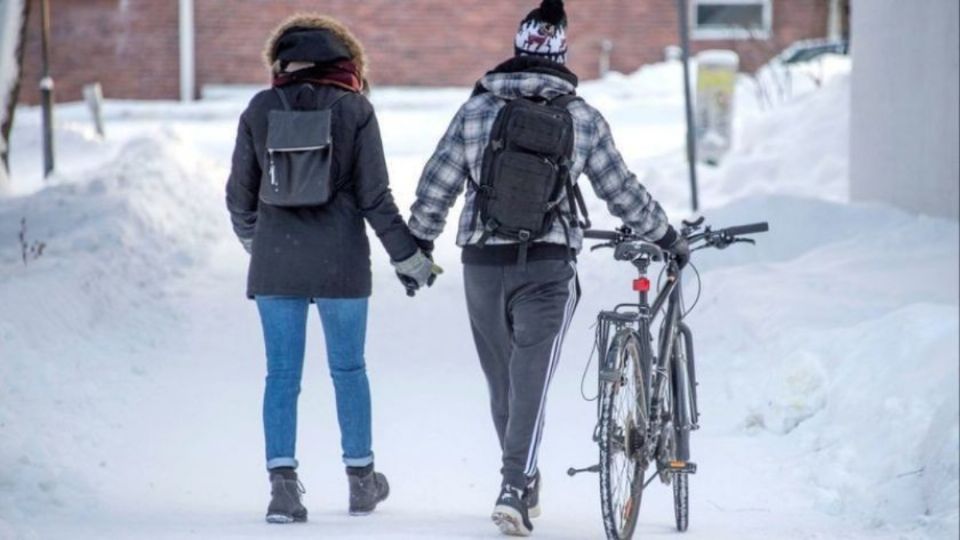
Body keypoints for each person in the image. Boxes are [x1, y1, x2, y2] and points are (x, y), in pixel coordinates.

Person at [407, 0, 689, 536]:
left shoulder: (477, 110)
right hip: (548, 263)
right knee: (530, 381)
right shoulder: (580, 118)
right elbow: (621, 191)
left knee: (503, 385)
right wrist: (666, 235)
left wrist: (418, 243)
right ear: (562, 55)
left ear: (516, 50)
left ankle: (520, 480)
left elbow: (438, 180)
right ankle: (516, 484)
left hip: (482, 264)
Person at [225, 13, 442, 524]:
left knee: (281, 375)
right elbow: (375, 198)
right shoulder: (355, 109)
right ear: (344, 61)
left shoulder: (260, 108)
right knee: (349, 370)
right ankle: (361, 481)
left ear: (282, 62)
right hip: (342, 262)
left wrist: (260, 243)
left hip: (275, 266)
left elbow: (239, 197)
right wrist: (409, 259)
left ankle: (282, 490)